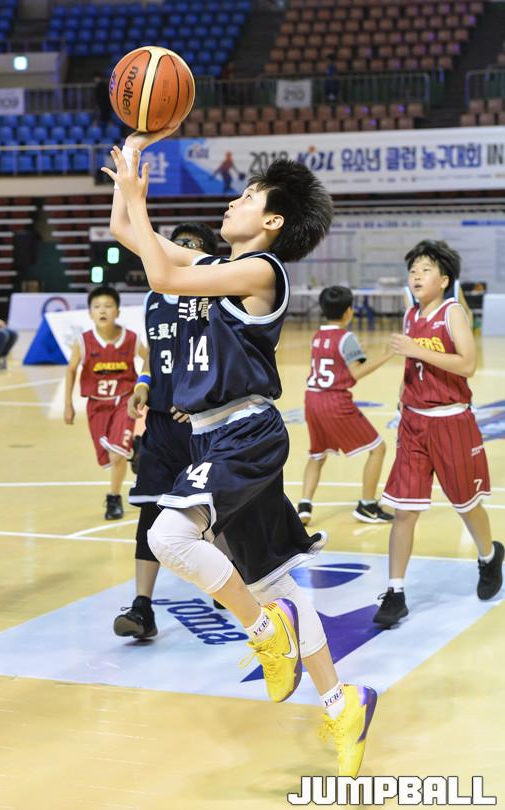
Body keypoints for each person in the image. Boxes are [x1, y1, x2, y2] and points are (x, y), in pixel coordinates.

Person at [103, 132, 377, 778]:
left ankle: (263, 632)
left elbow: (162, 274)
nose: (234, 201)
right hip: (213, 435)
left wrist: (140, 199)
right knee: (272, 584)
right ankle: (342, 703)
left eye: (249, 196)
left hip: (243, 432)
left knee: (169, 537)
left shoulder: (262, 272)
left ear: (273, 221)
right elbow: (126, 234)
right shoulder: (214, 268)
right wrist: (130, 170)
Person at [374, 240, 503, 628]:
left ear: (444, 280)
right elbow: (411, 366)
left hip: (451, 422)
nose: (416, 276)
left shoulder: (453, 313)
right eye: (413, 270)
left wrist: (416, 349)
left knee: (466, 503)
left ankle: (489, 556)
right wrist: (402, 396)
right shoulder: (410, 314)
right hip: (414, 424)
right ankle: (395, 592)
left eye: (425, 270)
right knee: (404, 510)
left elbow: (467, 365)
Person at [114, 222, 219, 639]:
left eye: (192, 244)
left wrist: (200, 399)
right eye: (177, 242)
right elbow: (151, 354)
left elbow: (224, 356)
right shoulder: (154, 297)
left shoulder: (213, 296)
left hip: (202, 425)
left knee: (215, 510)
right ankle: (142, 607)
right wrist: (142, 384)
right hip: (159, 423)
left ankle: (229, 580)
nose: (182, 247)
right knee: (151, 511)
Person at [298, 286, 394, 526]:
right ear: (349, 311)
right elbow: (356, 372)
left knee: (317, 454)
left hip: (312, 399)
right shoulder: (346, 337)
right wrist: (387, 355)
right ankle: (367, 506)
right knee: (378, 448)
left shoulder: (317, 336)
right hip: (334, 401)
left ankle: (304, 507)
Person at [64, 286, 148, 520]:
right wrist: (68, 404)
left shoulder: (131, 338)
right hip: (97, 405)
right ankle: (135, 449)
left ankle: (114, 497)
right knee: (107, 456)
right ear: (90, 313)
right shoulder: (83, 342)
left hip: (124, 402)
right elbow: (71, 370)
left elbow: (149, 358)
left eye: (108, 306)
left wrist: (144, 385)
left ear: (117, 311)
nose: (103, 311)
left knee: (116, 455)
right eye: (97, 307)